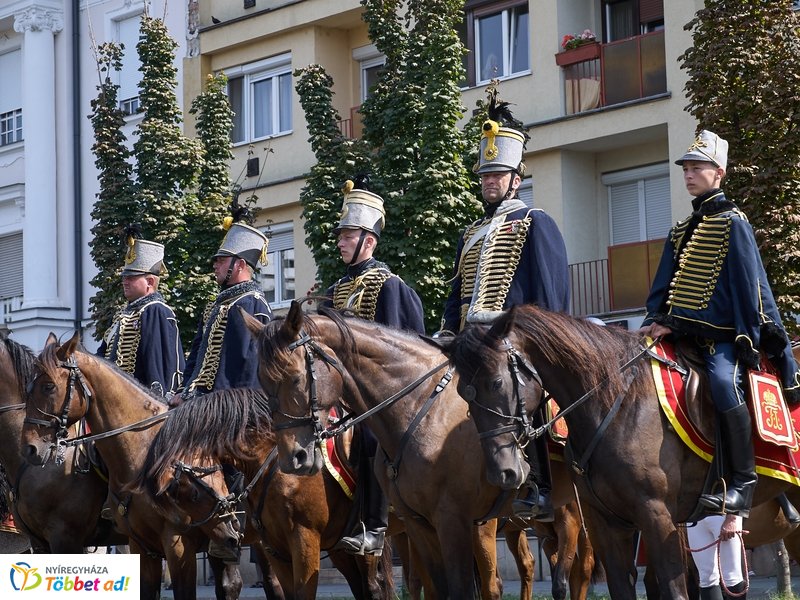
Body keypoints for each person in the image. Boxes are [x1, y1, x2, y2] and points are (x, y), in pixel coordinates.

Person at [638, 130, 800, 517]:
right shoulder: (681, 230)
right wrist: (653, 320)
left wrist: (744, 338)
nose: (689, 174)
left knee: (725, 385)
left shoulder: (733, 223)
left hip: (722, 338)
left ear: (719, 173)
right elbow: (662, 288)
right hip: (676, 335)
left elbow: (747, 291)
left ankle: (741, 482)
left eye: (697, 168)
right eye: (686, 168)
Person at [440, 88, 570, 521]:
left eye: (497, 176)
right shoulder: (471, 232)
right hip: (470, 340)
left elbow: (551, 293)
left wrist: (541, 339)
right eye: (484, 177)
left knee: (525, 397)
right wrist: (445, 331)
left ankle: (543, 487)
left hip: (518, 339)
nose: (489, 183)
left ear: (516, 178)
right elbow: (457, 291)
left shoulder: (535, 222)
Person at [324, 178, 425, 556]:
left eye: (348, 235)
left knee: (369, 436)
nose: (340, 241)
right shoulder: (336, 289)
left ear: (369, 240)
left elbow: (404, 348)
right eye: (341, 235)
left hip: (381, 397)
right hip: (341, 393)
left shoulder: (389, 285)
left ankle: (374, 526)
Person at [173, 217, 272, 404]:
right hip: (199, 402)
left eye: (221, 260)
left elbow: (250, 368)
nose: (215, 265)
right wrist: (184, 390)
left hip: (229, 407)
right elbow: (195, 356)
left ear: (240, 265)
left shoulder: (253, 303)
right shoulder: (215, 307)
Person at [98, 233, 184, 397]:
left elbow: (158, 365)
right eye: (124, 277)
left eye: (131, 277)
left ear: (150, 282)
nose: (125, 281)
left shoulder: (155, 310)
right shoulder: (122, 315)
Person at [687, 514, 745, 600]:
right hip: (694, 517)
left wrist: (732, 518)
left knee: (732, 575)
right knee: (706, 578)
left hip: (722, 512)